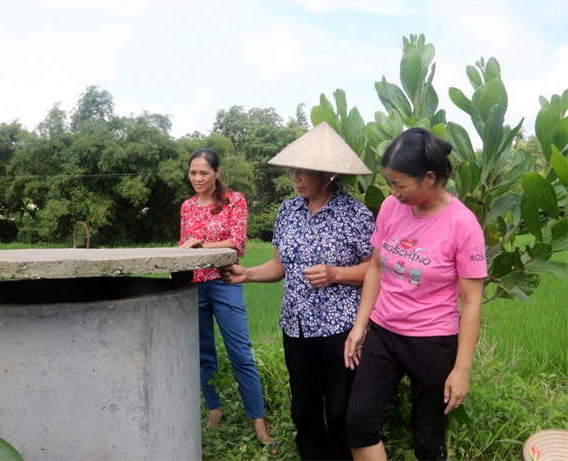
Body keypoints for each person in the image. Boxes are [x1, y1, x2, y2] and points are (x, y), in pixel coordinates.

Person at [221, 122, 374, 460]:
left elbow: (373, 270)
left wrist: (336, 274)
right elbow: (280, 266)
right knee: (303, 409)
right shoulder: (288, 211)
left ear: (327, 175)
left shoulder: (355, 214)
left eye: (304, 172)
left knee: (339, 412)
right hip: (296, 326)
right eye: (293, 170)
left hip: (341, 329)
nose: (296, 177)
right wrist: (246, 273)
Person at [344, 128, 487, 461]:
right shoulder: (392, 209)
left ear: (429, 177)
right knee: (359, 422)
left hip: (432, 342)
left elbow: (472, 302)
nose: (393, 193)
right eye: (390, 183)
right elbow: (376, 268)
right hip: (384, 332)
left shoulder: (463, 225)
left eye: (399, 184)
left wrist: (461, 369)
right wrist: (360, 324)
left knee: (428, 439)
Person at [178, 148, 273, 445]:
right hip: (194, 285)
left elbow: (237, 245)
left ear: (217, 173)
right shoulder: (187, 206)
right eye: (193, 172)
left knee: (241, 355)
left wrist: (200, 246)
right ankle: (214, 414)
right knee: (204, 355)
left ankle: (259, 424)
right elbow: (183, 246)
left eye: (204, 172)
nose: (197, 178)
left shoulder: (235, 201)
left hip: (225, 283)